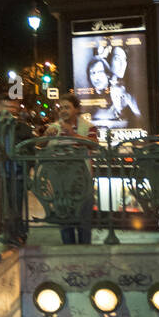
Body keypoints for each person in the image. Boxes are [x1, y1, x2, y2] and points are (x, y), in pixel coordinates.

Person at [47, 94, 97, 245]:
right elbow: (44, 147)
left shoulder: (88, 127)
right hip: (61, 183)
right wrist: (46, 137)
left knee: (84, 224)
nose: (63, 111)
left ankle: (84, 256)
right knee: (65, 222)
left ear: (77, 109)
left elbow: (94, 144)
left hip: (82, 182)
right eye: (61, 108)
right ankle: (69, 256)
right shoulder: (55, 128)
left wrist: (73, 135)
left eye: (67, 107)